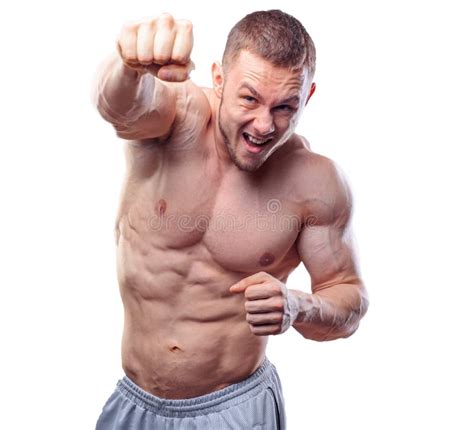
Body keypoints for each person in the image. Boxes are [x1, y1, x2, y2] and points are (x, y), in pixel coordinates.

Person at [92, 9, 369, 429]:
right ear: (219, 79)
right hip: (136, 401)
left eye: (284, 107)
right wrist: (129, 65)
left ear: (307, 97)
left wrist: (298, 306)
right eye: (249, 98)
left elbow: (347, 297)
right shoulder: (175, 118)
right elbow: (120, 107)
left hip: (235, 408)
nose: (263, 125)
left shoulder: (316, 184)